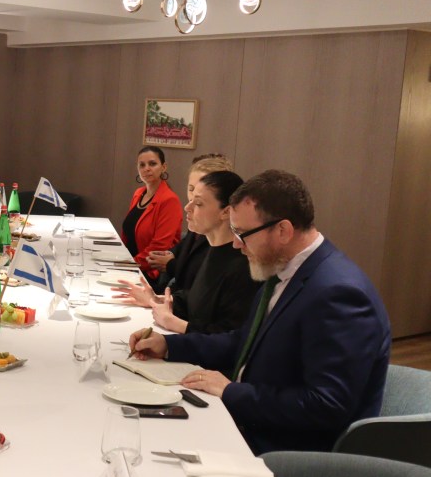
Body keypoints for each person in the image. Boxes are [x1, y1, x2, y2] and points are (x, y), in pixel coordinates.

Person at [130, 170, 391, 454]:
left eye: (242, 234)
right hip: (252, 421)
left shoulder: (338, 293)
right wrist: (169, 345)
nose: (236, 244)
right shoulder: (285, 268)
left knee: (144, 448)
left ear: (283, 231)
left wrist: (231, 392)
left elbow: (327, 406)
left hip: (287, 451)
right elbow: (244, 341)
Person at [117, 171, 261, 334]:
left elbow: (230, 335)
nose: (187, 207)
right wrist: (157, 300)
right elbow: (196, 302)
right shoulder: (214, 250)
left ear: (226, 212)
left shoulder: (242, 265)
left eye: (198, 203)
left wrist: (176, 324)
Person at [146, 154, 234, 291]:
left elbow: (197, 280)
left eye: (201, 192)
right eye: (191, 189)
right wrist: (171, 253)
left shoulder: (222, 236)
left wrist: (171, 264)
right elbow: (186, 244)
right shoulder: (197, 220)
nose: (192, 198)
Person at [120, 146, 182, 282]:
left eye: (152, 164)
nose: (146, 168)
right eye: (142, 165)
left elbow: (159, 247)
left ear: (163, 167)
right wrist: (120, 260)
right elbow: (129, 232)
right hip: (130, 265)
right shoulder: (138, 193)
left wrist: (127, 265)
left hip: (149, 272)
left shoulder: (169, 200)